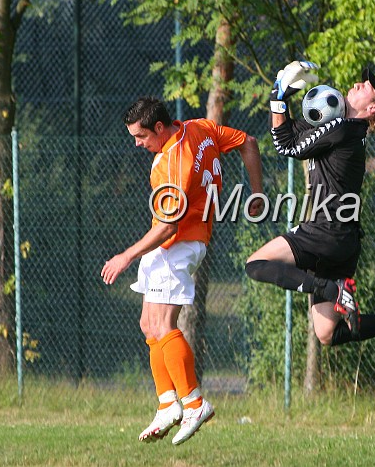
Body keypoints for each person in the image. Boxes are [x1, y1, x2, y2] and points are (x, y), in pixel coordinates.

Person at [245, 61, 375, 347]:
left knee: (255, 264)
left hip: (324, 233)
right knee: (328, 334)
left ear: (373, 109)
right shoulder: (344, 128)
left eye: (368, 88)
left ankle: (332, 289)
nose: (359, 84)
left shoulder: (343, 129)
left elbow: (285, 146)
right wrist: (285, 96)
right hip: (343, 243)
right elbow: (291, 133)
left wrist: (277, 95)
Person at [101, 97, 263, 445]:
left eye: (141, 136)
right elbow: (249, 142)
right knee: (149, 324)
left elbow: (168, 226)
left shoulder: (172, 163)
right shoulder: (200, 127)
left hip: (180, 243)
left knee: (163, 325)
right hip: (170, 246)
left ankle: (194, 403)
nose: (137, 144)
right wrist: (258, 192)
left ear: (159, 128)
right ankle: (167, 405)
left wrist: (125, 256)